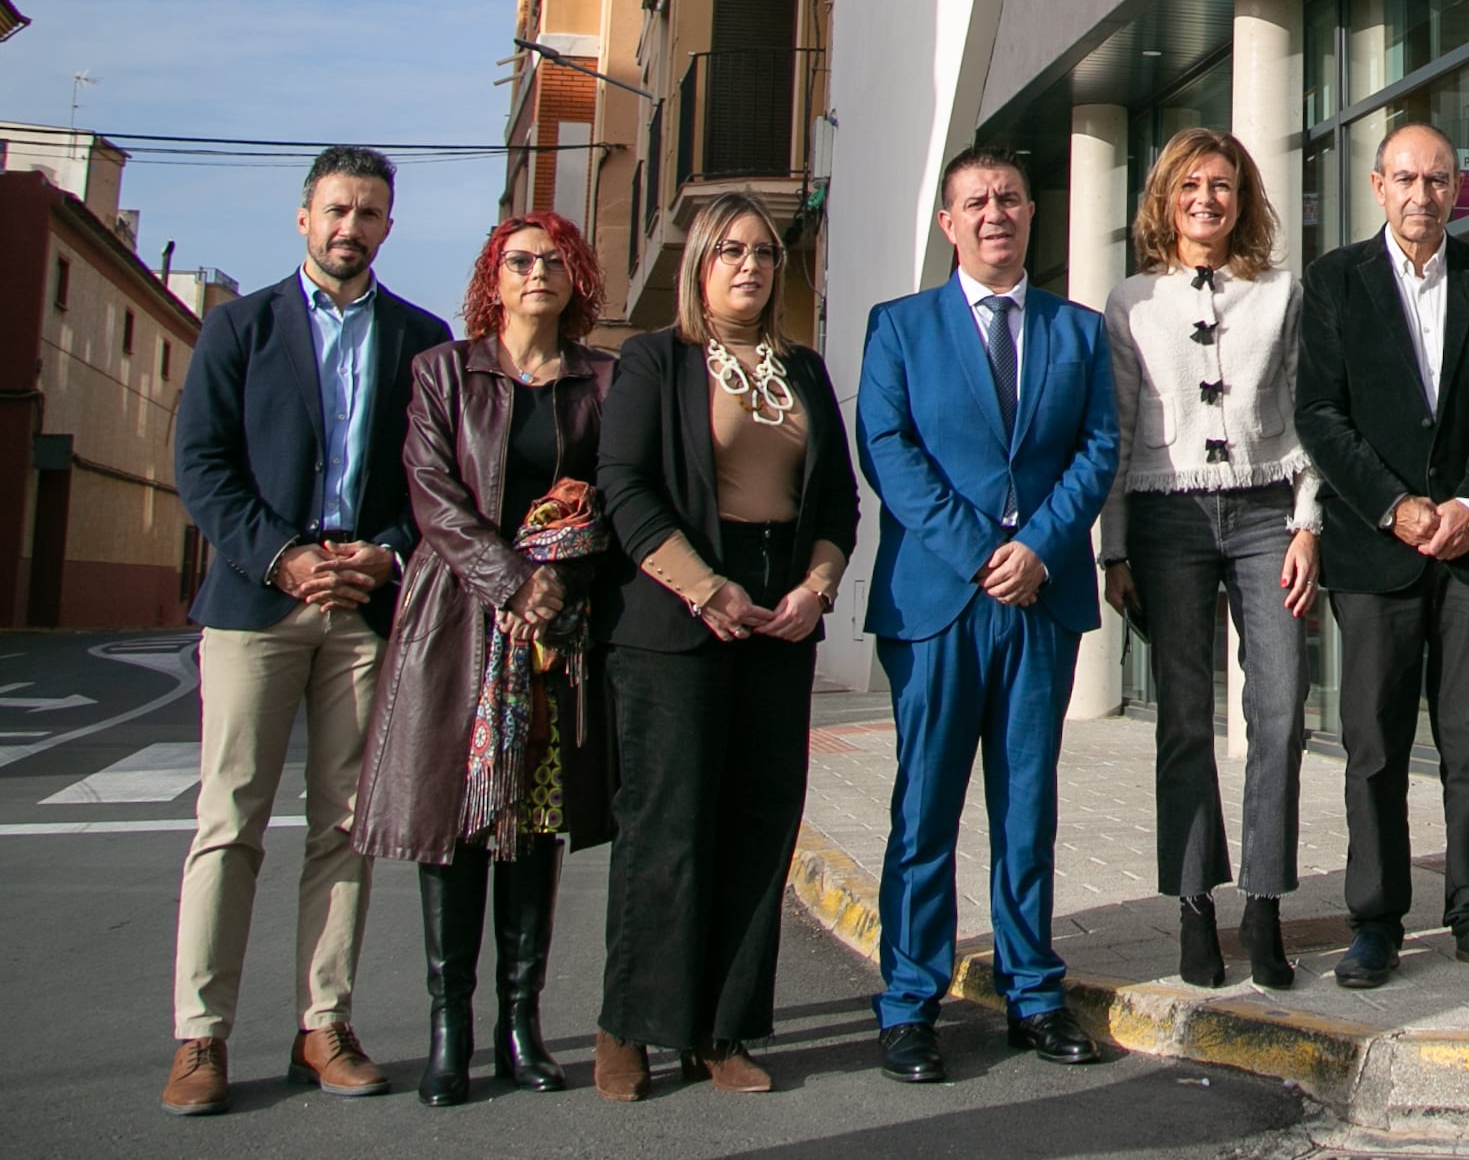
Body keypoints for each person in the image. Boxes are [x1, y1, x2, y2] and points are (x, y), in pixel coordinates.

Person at [164, 147, 452, 1116]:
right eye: (336, 210)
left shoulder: (421, 338)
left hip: (365, 610)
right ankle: (199, 1036)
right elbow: (202, 466)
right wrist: (281, 556)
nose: (350, 228)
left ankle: (322, 1024)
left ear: (387, 226)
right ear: (302, 218)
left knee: (343, 826)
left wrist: (384, 551)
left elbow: (434, 480)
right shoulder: (238, 329)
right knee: (228, 821)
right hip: (258, 604)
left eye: (369, 213)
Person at [857, 146, 1121, 1084]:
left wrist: (1038, 548)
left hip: (1039, 600)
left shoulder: (1078, 331)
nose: (995, 213)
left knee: (1026, 808)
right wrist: (979, 553)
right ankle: (910, 1000)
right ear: (948, 222)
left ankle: (1033, 992)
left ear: (1030, 214)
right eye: (975, 201)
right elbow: (887, 452)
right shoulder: (898, 328)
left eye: (1010, 197)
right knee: (924, 809)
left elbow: (1098, 447)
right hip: (938, 603)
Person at [351, 212, 622, 1105]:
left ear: (575, 277)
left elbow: (617, 498)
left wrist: (562, 578)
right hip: (456, 625)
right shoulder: (443, 371)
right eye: (520, 261)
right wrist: (514, 580)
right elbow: (430, 492)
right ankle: (448, 1031)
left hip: (557, 636)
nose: (537, 272)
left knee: (533, 831)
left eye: (554, 260)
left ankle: (520, 1023)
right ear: (492, 280)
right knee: (456, 829)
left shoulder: (602, 381)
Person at [592, 192, 857, 1098]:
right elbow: (624, 488)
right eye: (731, 250)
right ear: (699, 264)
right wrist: (705, 587)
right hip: (676, 614)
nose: (751, 266)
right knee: (667, 826)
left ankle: (721, 1030)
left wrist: (813, 590)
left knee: (756, 825)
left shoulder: (807, 372)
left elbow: (837, 509)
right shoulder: (652, 362)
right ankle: (630, 1023)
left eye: (766, 253)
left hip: (780, 615)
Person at [1293, 120, 1469, 990]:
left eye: (1438, 180)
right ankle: (1375, 921)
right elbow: (1319, 413)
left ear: (1456, 189)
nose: (1422, 195)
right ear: (1376, 185)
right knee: (1373, 745)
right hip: (1375, 552)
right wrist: (1394, 506)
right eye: (1406, 178)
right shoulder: (1333, 283)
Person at [1101, 127, 1320, 993]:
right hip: (1166, 519)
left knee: (1280, 707)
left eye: (1223, 185)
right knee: (1184, 717)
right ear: (1165, 197)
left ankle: (1263, 904)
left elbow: (1309, 413)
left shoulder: (1281, 293)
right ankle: (1195, 904)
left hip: (1268, 509)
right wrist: (1113, 548)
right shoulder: (1132, 302)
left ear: (1244, 197)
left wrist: (1309, 524)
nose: (1207, 199)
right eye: (1191, 184)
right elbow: (1118, 430)